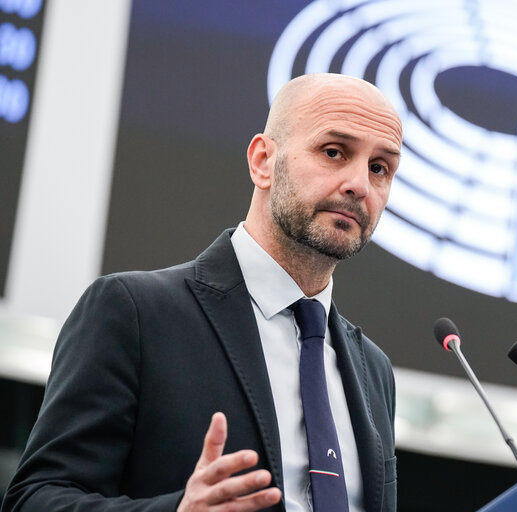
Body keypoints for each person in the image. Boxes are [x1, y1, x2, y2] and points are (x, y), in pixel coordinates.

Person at [1, 73, 402, 512]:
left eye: (379, 168)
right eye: (333, 152)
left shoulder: (373, 371)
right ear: (263, 161)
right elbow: (33, 500)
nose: (359, 185)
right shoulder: (134, 313)